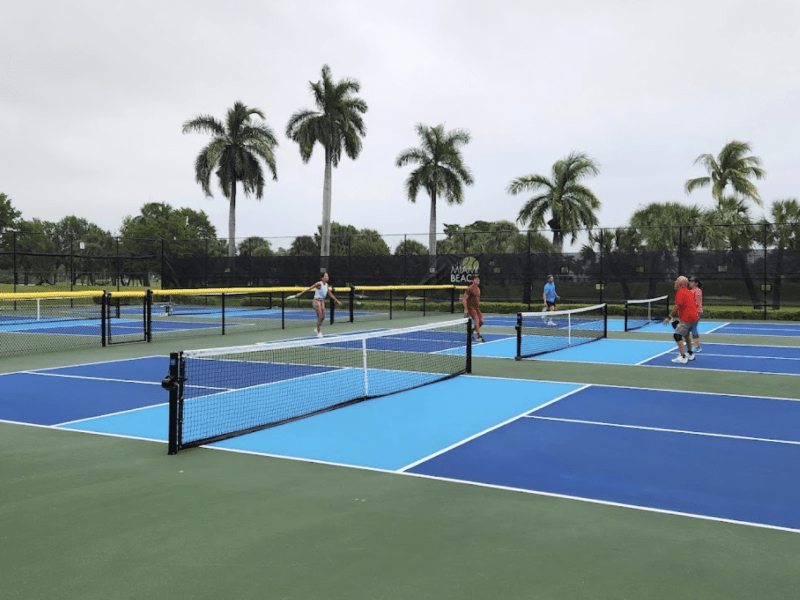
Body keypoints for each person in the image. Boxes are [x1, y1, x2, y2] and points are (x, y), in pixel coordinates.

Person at [662, 276, 698, 364]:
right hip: (693, 318)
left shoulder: (680, 292)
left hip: (687, 318)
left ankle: (683, 357)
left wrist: (669, 317)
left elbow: (677, 306)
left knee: (677, 335)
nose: (675, 283)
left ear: (681, 284)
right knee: (685, 335)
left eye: (677, 282)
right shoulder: (689, 292)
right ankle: (690, 354)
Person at [296, 272, 341, 337]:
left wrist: (336, 300)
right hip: (316, 301)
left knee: (323, 317)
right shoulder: (319, 283)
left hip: (322, 301)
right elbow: (310, 288)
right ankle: (318, 330)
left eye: (327, 276)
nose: (327, 277)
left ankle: (317, 328)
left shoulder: (327, 285)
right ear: (322, 278)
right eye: (326, 276)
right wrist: (300, 293)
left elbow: (330, 294)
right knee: (320, 316)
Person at [463, 274, 485, 342]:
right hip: (470, 307)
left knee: (481, 321)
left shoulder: (478, 289)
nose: (477, 280)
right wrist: (466, 308)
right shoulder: (469, 288)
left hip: (476, 308)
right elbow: (464, 298)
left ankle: (471, 331)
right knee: (477, 319)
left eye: (478, 279)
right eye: (476, 279)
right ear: (473, 281)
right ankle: (479, 336)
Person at [688, 275, 703, 353]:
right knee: (690, 329)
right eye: (689, 281)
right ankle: (696, 345)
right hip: (692, 312)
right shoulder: (691, 291)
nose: (690, 283)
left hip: (696, 312)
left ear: (696, 283)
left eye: (691, 281)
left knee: (693, 329)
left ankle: (697, 346)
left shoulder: (697, 291)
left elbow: (696, 303)